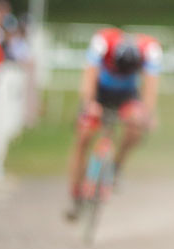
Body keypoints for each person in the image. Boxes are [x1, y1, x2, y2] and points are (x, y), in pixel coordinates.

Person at [64, 27, 162, 222]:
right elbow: (89, 76)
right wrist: (88, 104)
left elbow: (150, 87)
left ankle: (116, 167)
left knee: (135, 129)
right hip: (100, 93)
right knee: (83, 137)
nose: (121, 74)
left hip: (127, 95)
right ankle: (76, 195)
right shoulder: (102, 42)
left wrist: (147, 115)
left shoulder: (150, 50)